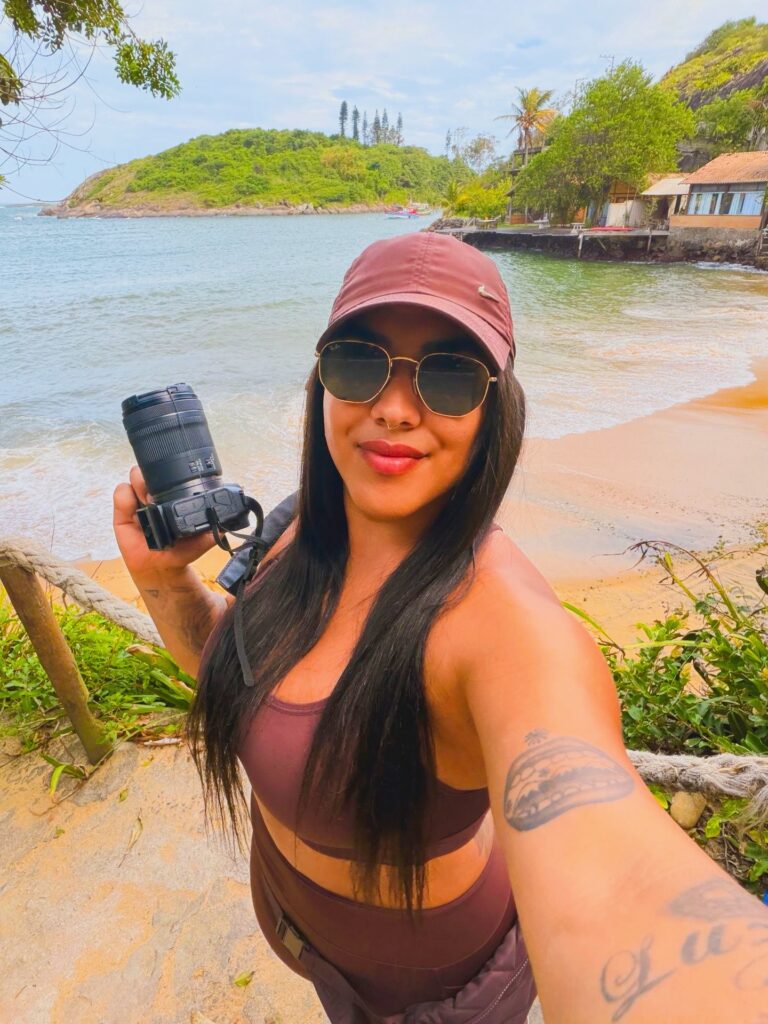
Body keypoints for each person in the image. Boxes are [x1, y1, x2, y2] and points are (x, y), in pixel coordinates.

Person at [114, 231, 768, 1024]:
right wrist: (162, 578)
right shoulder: (294, 534)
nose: (393, 407)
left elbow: (616, 883)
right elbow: (238, 673)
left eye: (451, 376)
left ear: (496, 411)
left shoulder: (505, 630)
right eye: (359, 362)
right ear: (321, 383)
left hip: (436, 992)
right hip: (310, 936)